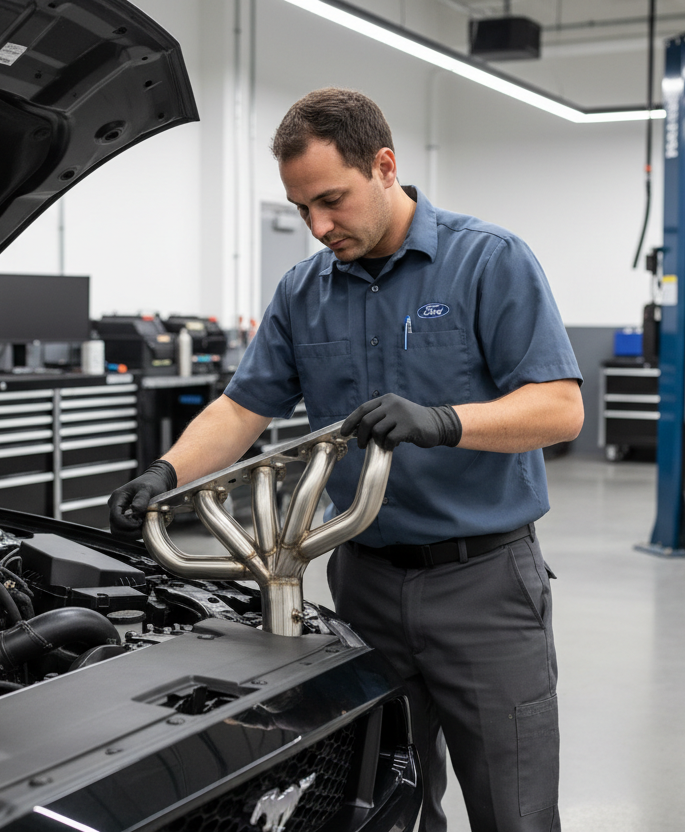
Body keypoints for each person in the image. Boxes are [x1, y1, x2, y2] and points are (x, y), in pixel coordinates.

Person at [109, 87, 583, 832]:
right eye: (302, 210)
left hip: (483, 588)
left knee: (513, 812)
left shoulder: (486, 260)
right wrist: (166, 474)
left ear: (385, 166)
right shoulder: (303, 292)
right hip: (361, 584)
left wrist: (442, 421)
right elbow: (242, 408)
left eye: (332, 200)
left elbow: (560, 407)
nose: (319, 226)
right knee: (380, 804)